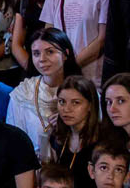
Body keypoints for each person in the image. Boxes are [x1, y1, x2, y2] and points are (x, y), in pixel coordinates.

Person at [6, 27, 80, 156]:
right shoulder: (23, 94)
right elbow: (14, 141)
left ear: (65, 54)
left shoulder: (83, 92)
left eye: (50, 52)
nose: (42, 59)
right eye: (36, 53)